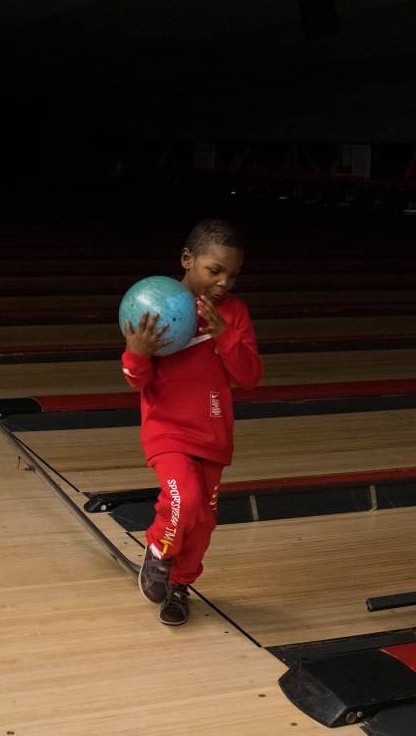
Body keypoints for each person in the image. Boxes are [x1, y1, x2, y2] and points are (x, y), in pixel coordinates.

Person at [120, 218, 264, 625]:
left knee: (202, 522)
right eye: (214, 271)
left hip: (214, 435)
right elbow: (136, 379)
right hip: (167, 431)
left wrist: (225, 337)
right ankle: (159, 549)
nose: (223, 283)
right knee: (185, 501)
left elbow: (251, 377)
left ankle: (180, 585)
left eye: (232, 275)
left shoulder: (234, 315)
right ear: (187, 259)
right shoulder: (154, 307)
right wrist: (137, 352)